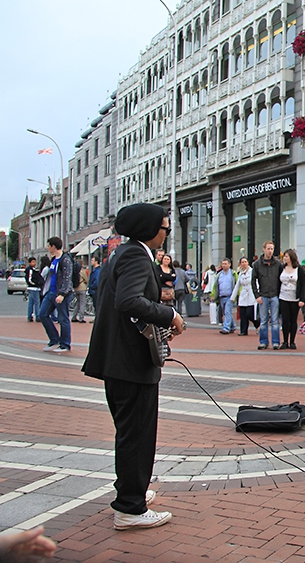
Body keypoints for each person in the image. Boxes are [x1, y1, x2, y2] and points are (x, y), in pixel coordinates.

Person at [82, 203, 184, 530]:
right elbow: (127, 301)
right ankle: (130, 507)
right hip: (129, 362)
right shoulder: (136, 256)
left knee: (129, 432)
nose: (167, 233)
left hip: (119, 360)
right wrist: (169, 315)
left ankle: (131, 490)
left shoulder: (123, 253)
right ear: (148, 229)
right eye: (165, 228)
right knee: (137, 435)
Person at [38, 236, 73, 354]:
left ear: (53, 247)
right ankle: (54, 339)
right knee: (42, 314)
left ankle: (65, 344)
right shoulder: (53, 260)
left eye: (48, 245)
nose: (47, 248)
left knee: (63, 318)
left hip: (60, 294)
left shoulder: (65, 259)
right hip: (51, 292)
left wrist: (62, 294)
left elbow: (67, 278)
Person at [251, 241, 284, 350]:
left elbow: (281, 279)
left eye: (272, 249)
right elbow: (253, 281)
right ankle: (263, 342)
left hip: (275, 295)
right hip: (263, 295)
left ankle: (275, 342)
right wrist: (257, 295)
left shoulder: (278, 264)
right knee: (263, 320)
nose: (270, 251)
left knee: (275, 321)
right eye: (268, 249)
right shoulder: (257, 264)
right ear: (264, 249)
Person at [279, 249, 304, 349]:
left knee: (293, 320)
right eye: (284, 256)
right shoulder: (282, 268)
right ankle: (285, 341)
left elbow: (303, 285)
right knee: (285, 320)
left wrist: (302, 299)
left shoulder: (299, 269)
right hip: (283, 297)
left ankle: (292, 341)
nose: (285, 258)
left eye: (287, 256)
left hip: (294, 298)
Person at [232, 257, 258, 336]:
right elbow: (237, 285)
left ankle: (257, 324)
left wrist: (258, 294)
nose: (244, 263)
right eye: (242, 262)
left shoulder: (252, 271)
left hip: (251, 293)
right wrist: (233, 297)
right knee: (243, 314)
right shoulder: (240, 273)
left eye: (245, 262)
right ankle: (243, 330)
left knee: (249, 314)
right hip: (243, 294)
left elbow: (256, 283)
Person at [212, 258, 237, 334]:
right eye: (223, 264)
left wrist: (236, 295)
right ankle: (233, 326)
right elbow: (215, 286)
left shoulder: (233, 274)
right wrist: (213, 295)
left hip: (230, 296)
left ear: (229, 264)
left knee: (227, 311)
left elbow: (237, 285)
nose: (224, 265)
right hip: (222, 296)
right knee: (226, 312)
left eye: (225, 264)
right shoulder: (219, 275)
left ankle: (226, 328)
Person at [24, 256, 43, 322]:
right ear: (29, 263)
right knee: (37, 302)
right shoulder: (30, 270)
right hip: (34, 288)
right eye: (33, 262)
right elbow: (29, 279)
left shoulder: (33, 269)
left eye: (35, 262)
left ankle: (30, 316)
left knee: (31, 302)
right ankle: (37, 316)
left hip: (31, 288)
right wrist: (36, 283)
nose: (34, 263)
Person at [71, 257, 89, 323]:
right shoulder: (82, 271)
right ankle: (81, 318)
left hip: (76, 288)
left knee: (77, 303)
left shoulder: (74, 271)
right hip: (82, 288)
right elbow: (86, 279)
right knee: (82, 303)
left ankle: (74, 316)